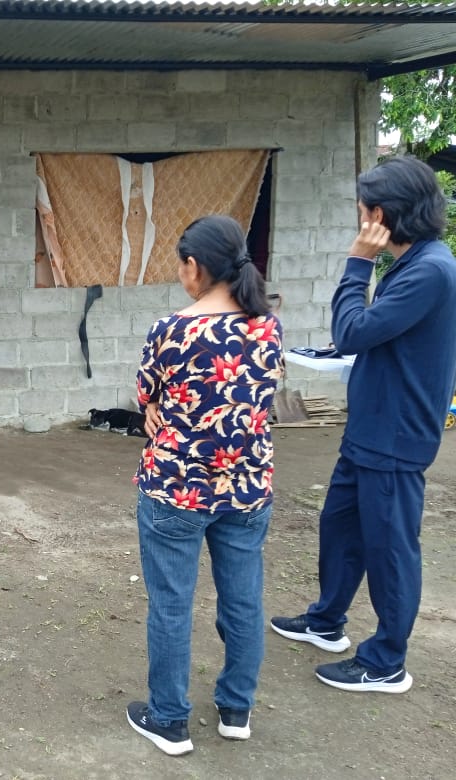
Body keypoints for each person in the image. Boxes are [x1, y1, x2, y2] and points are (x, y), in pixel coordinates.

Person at [270, 156, 456, 693]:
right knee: (341, 527)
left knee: (390, 548)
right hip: (372, 428)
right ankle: (327, 620)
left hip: (395, 435)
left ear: (382, 214)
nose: (360, 220)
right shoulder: (416, 263)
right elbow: (378, 337)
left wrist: (358, 263)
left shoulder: (429, 270)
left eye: (363, 211)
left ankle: (386, 661)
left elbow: (352, 331)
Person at [127, 215, 283, 755]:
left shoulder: (171, 329)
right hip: (246, 488)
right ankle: (236, 709)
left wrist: (154, 408)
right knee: (243, 601)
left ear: (193, 266)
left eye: (180, 265)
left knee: (171, 605)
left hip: (177, 489)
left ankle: (169, 719)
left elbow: (145, 391)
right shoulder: (268, 327)